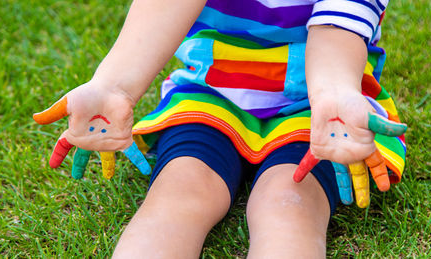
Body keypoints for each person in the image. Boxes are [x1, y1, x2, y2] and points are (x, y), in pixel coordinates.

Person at [33, 0, 407, 257]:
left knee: (287, 207)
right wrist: (113, 86)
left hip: (317, 110)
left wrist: (336, 96)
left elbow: (336, 32)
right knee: (178, 195)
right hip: (211, 93)